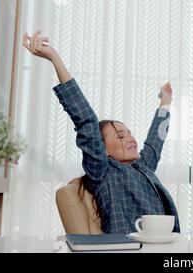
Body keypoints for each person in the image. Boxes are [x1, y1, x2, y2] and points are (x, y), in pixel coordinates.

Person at [22, 31, 180, 234]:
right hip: (127, 249)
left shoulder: (143, 167)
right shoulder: (102, 170)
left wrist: (165, 101)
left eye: (129, 133)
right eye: (120, 136)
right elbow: (86, 120)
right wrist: (55, 59)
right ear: (102, 149)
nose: (130, 138)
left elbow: (155, 141)